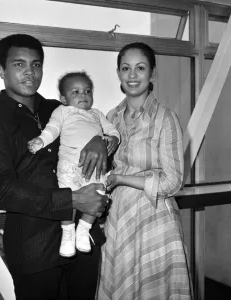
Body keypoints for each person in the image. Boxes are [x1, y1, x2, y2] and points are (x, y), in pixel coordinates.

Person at [0, 34, 110, 300]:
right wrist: (73, 199)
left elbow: (93, 142)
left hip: (83, 241)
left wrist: (100, 140)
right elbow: (1, 190)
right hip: (34, 249)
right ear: (1, 70)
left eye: (36, 65)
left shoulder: (57, 109)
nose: (29, 72)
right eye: (19, 64)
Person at [97, 42, 192, 299]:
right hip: (119, 217)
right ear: (118, 73)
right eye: (126, 68)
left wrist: (122, 179)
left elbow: (173, 181)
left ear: (152, 73)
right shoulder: (110, 118)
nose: (132, 75)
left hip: (155, 218)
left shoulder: (166, 118)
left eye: (140, 68)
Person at [28, 71, 120, 257]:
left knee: (98, 193)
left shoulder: (97, 114)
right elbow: (52, 129)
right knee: (68, 196)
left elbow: (113, 131)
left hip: (95, 166)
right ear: (63, 98)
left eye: (87, 91)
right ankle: (68, 233)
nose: (83, 96)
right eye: (76, 92)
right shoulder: (62, 111)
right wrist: (40, 141)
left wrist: (112, 139)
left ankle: (84, 229)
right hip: (70, 164)